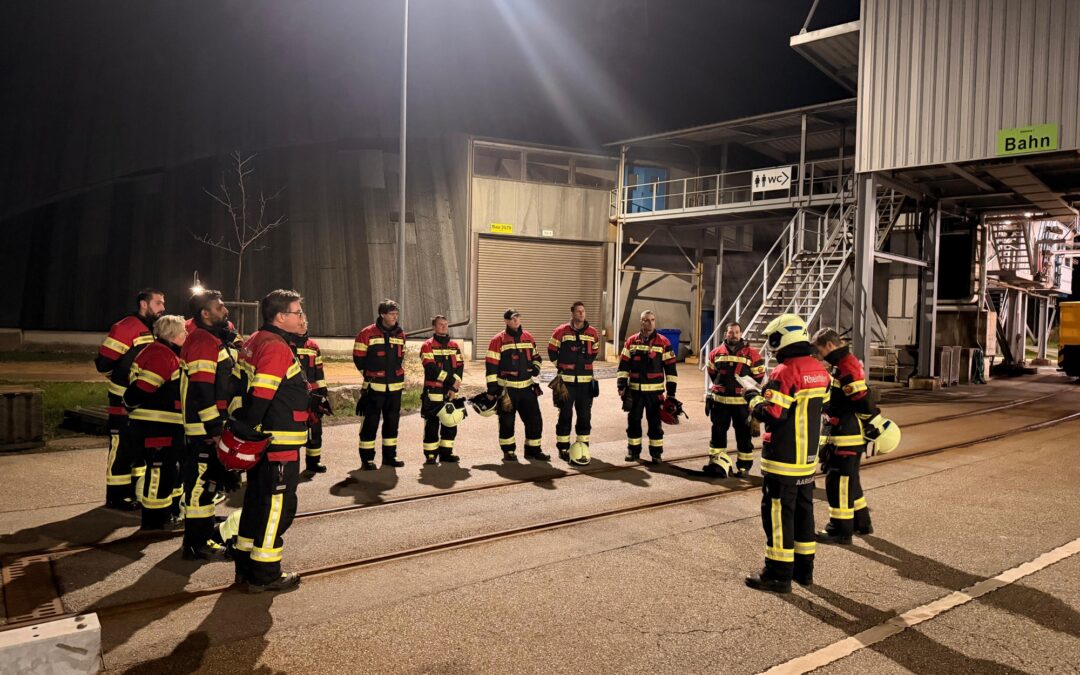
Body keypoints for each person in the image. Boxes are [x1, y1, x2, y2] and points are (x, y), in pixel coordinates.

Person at [743, 314, 830, 594]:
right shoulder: (820, 370)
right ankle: (804, 571)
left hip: (783, 458)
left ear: (784, 337)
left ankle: (777, 575)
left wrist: (754, 397)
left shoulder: (785, 371)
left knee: (778, 516)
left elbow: (773, 414)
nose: (772, 345)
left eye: (773, 339)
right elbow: (823, 407)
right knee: (804, 514)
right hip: (806, 460)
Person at [230, 289, 308, 593]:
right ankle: (265, 574)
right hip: (279, 445)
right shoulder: (276, 347)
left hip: (263, 442)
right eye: (297, 312)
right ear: (280, 317)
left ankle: (246, 566)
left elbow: (237, 388)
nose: (301, 317)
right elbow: (262, 395)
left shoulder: (254, 341)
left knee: (256, 502)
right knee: (277, 508)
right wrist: (248, 431)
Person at [179, 290, 237, 559]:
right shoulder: (203, 341)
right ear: (205, 313)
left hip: (209, 425)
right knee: (200, 484)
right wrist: (214, 430)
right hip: (204, 429)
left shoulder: (210, 339)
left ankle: (201, 533)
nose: (225, 310)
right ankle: (195, 543)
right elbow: (203, 390)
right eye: (220, 307)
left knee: (208, 483)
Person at [95, 288, 165, 510]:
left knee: (137, 447)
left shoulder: (152, 329)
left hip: (141, 400)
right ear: (144, 304)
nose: (163, 308)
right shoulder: (126, 327)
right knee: (121, 446)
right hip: (121, 398)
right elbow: (104, 363)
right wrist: (122, 376)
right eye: (158, 303)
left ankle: (134, 492)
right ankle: (116, 496)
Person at [812, 328, 879, 544]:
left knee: (838, 483)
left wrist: (870, 422)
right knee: (851, 482)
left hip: (846, 435)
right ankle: (861, 522)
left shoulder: (845, 365)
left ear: (829, 346)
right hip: (846, 433)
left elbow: (862, 399)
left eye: (820, 350)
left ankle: (840, 530)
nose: (820, 355)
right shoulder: (844, 363)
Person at [121, 314, 186, 531]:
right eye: (183, 332)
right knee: (160, 471)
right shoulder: (163, 355)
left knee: (164, 470)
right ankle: (155, 520)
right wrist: (128, 403)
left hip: (153, 424)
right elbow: (143, 388)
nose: (186, 335)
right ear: (173, 335)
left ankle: (163, 515)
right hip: (158, 425)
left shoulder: (156, 351)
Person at [485, 309, 548, 462]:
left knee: (535, 420)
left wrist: (535, 368)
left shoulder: (528, 337)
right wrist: (492, 390)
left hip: (527, 388)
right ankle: (508, 452)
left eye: (517, 317)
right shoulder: (497, 340)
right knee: (507, 421)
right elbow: (491, 367)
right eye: (512, 318)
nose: (516, 321)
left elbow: (537, 357)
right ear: (506, 321)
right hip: (507, 390)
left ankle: (533, 450)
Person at [616, 310, 677, 463]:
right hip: (635, 392)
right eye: (646, 320)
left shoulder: (664, 342)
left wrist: (672, 393)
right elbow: (623, 365)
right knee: (633, 422)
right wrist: (621, 385)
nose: (649, 323)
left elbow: (671, 369)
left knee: (655, 424)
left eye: (652, 320)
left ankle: (656, 454)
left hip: (655, 394)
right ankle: (633, 452)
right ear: (641, 322)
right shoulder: (631, 341)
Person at [704, 322, 765, 477]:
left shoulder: (752, 354)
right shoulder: (715, 353)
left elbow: (758, 378)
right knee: (717, 434)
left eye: (737, 332)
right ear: (726, 333)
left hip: (742, 405)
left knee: (744, 436)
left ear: (741, 333)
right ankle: (717, 462)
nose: (734, 335)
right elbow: (713, 373)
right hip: (720, 403)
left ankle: (744, 467)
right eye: (731, 332)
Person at [353, 300, 407, 470]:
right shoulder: (366, 333)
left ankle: (390, 457)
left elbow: (400, 357)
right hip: (374, 387)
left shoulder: (400, 334)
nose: (395, 317)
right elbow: (358, 358)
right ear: (382, 314)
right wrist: (370, 374)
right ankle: (367, 460)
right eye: (392, 314)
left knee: (392, 423)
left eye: (396, 314)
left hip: (395, 388)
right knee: (371, 423)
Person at [548, 302, 600, 462]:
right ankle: (563, 448)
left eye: (583, 311)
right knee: (565, 414)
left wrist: (585, 365)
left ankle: (583, 445)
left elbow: (595, 350)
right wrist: (561, 366)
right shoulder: (561, 331)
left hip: (585, 383)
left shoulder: (592, 332)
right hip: (566, 383)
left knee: (585, 415)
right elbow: (551, 350)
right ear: (572, 313)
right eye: (578, 311)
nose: (582, 314)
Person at [419, 315, 465, 464]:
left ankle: (446, 453)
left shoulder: (454, 346)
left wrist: (454, 388)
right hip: (433, 392)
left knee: (450, 423)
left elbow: (460, 367)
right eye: (440, 324)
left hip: (451, 391)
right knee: (432, 424)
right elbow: (431, 369)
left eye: (446, 324)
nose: (444, 327)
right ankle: (431, 455)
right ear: (434, 327)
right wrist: (451, 381)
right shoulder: (427, 345)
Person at [294, 316, 330, 474]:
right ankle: (290, 466)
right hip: (295, 394)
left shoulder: (313, 346)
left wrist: (323, 394)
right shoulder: (286, 344)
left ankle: (314, 462)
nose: (303, 327)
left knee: (315, 429)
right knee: (294, 431)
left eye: (304, 324)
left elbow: (319, 372)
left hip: (313, 395)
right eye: (299, 324)